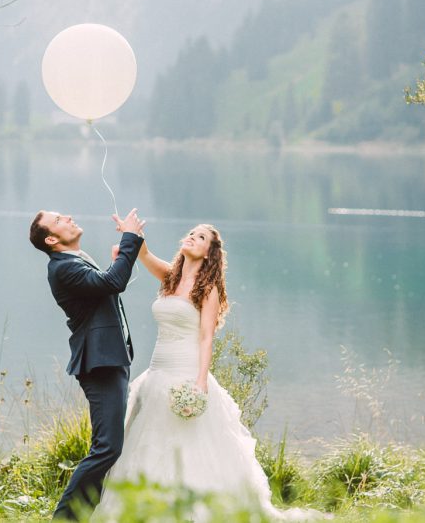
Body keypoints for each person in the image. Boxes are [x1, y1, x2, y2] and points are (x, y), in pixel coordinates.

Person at [94, 224, 322, 520]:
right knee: (149, 441)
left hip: (186, 372)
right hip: (156, 373)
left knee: (189, 444)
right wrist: (131, 233)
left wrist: (200, 381)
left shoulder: (207, 289)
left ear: (208, 253)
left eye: (201, 237)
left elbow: (205, 338)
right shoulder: (171, 277)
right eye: (192, 233)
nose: (193, 237)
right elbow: (144, 254)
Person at [29, 208, 146, 521]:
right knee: (107, 448)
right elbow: (113, 282)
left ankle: (79, 515)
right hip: (100, 364)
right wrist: (130, 238)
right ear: (51, 239)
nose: (67, 217)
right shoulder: (63, 267)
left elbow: (106, 285)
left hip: (109, 359)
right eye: (58, 220)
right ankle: (66, 518)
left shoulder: (73, 260)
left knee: (108, 447)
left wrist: (120, 258)